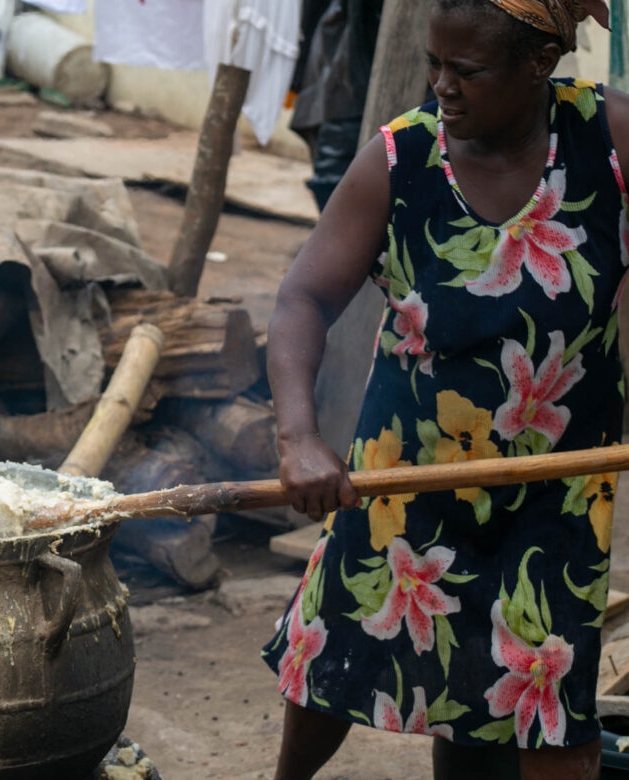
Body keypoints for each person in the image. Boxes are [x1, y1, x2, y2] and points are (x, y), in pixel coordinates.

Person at [261, 1, 624, 778]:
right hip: (406, 473)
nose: (441, 86)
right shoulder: (402, 158)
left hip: (557, 487)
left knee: (544, 694)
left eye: (466, 70)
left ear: (539, 63)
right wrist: (299, 438)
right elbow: (303, 301)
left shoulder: (610, 140)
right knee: (337, 653)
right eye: (434, 64)